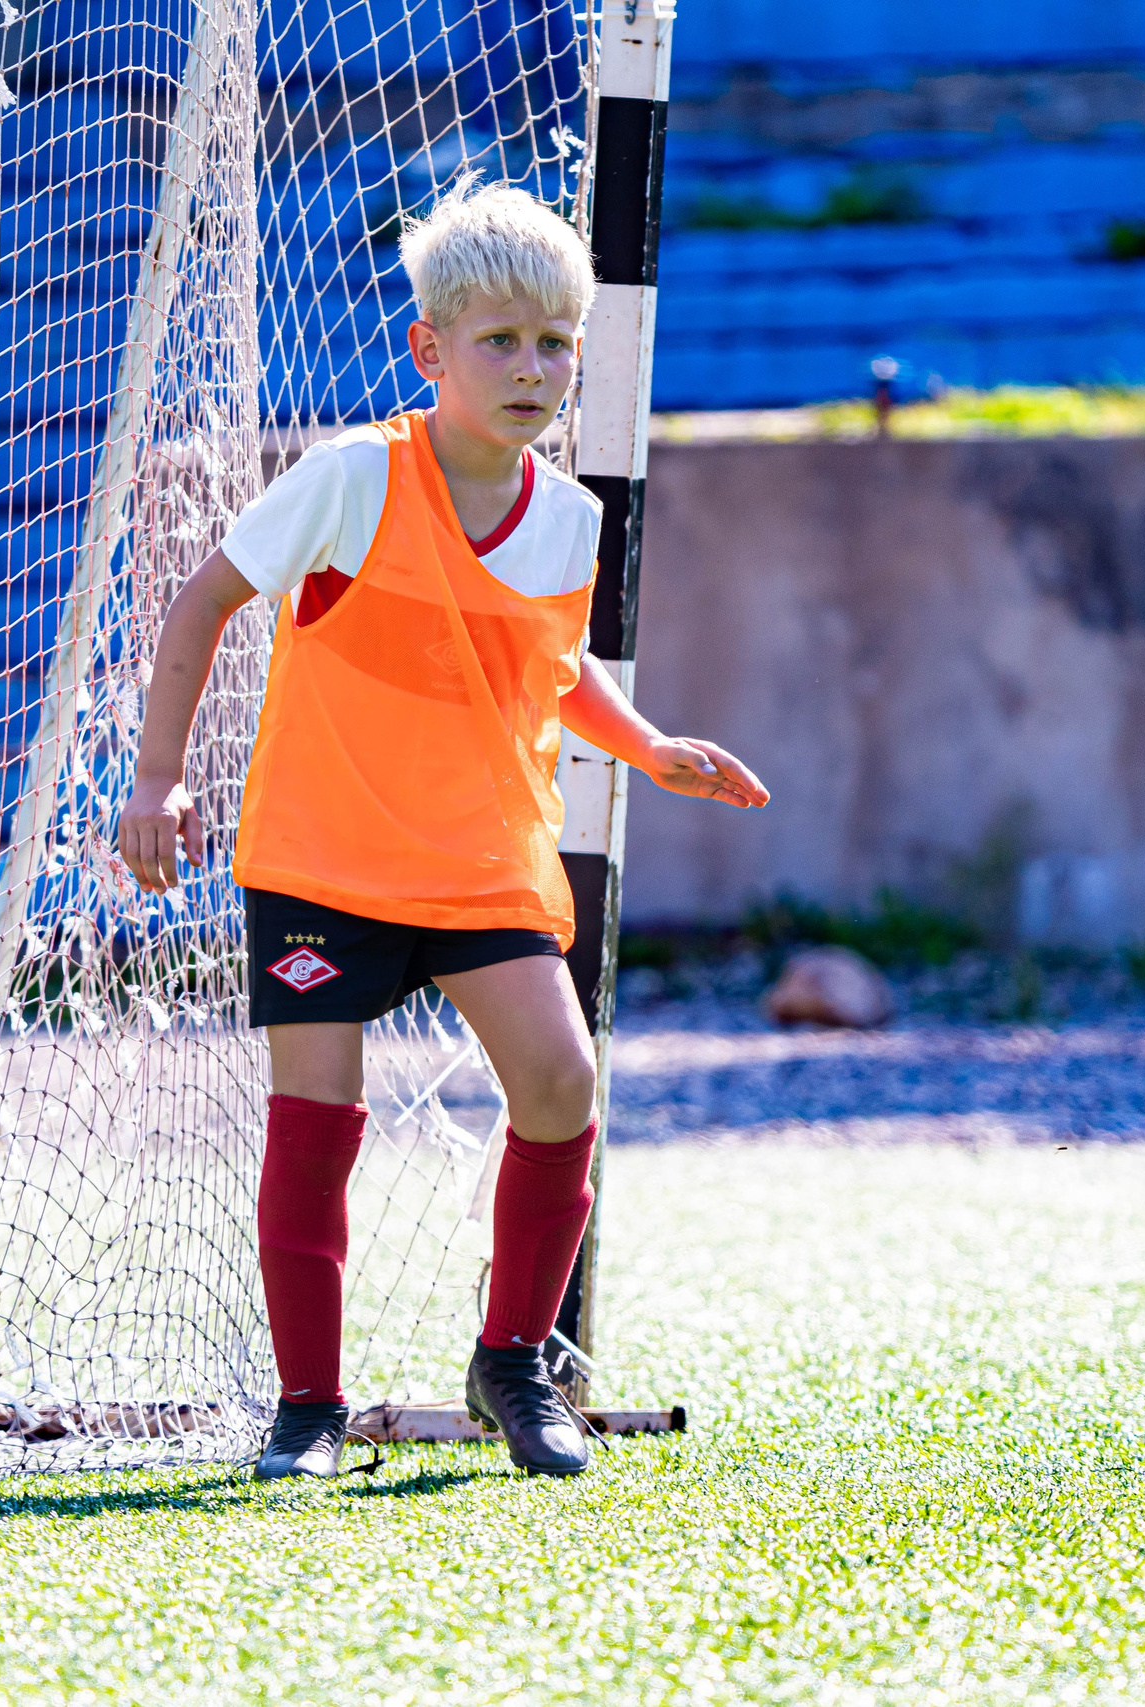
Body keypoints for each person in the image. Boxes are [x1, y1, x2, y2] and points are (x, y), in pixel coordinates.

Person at [117, 178, 768, 1480]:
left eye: (555, 343)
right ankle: (307, 1407)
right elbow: (200, 609)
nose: (533, 367)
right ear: (432, 350)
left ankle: (512, 1367)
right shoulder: (356, 475)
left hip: (482, 860)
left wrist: (647, 745)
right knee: (317, 1118)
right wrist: (156, 783)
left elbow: (548, 665)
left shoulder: (571, 520)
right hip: (324, 857)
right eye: (501, 340)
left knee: (562, 1081)